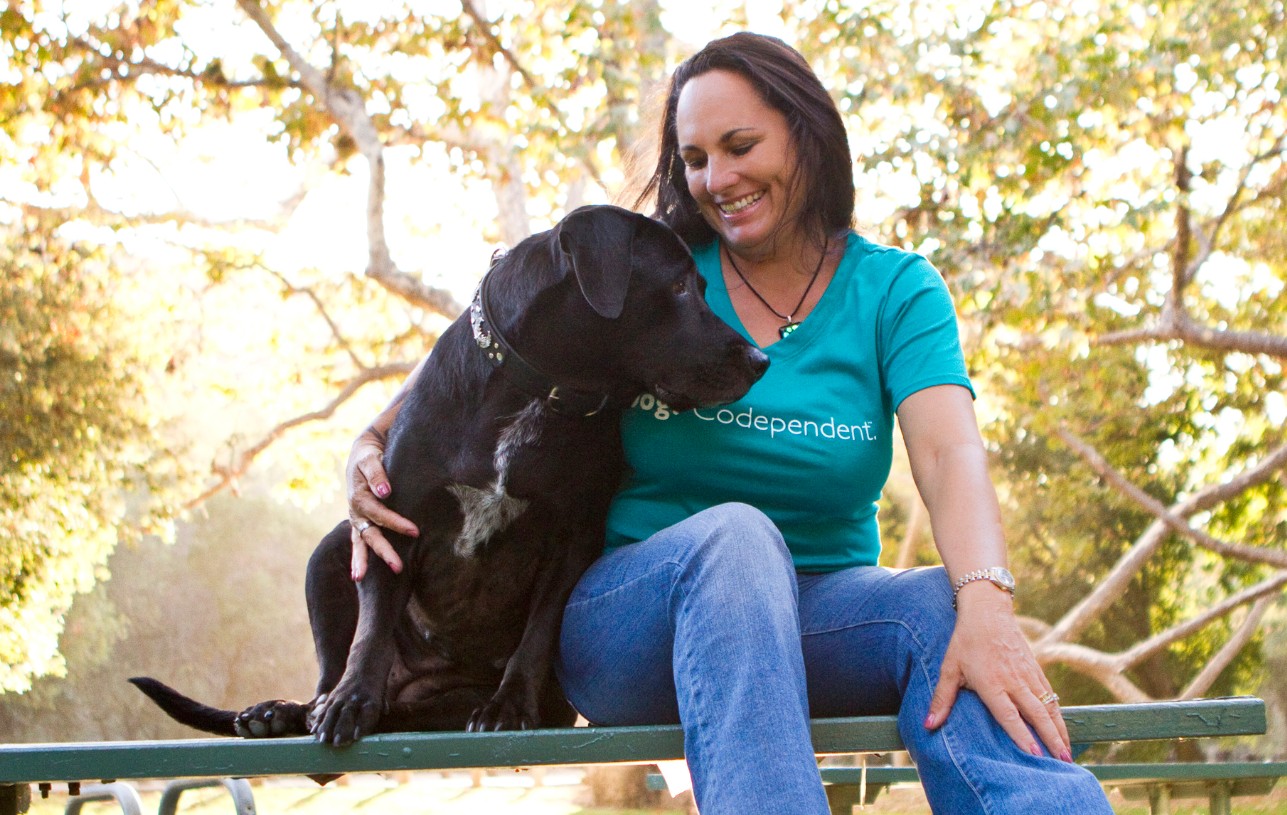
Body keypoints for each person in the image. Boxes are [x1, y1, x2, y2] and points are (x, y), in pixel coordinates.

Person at [345, 32, 1113, 815]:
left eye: (740, 146)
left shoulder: (895, 290)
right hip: (632, 619)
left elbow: (949, 454)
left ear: (806, 136)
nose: (718, 178)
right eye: (696, 158)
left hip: (820, 614)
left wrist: (987, 607)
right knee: (736, 536)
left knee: (936, 606)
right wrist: (372, 441)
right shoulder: (654, 269)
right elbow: (499, 336)